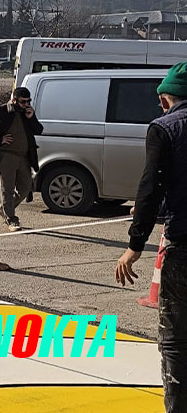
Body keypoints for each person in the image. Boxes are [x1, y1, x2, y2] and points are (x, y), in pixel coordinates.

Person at [115, 62, 187, 413]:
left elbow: (151, 187)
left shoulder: (164, 128)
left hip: (184, 245)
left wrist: (134, 245)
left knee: (175, 339)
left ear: (164, 99)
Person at [0, 86, 44, 231]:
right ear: (14, 100)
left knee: (26, 188)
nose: (26, 104)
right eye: (23, 102)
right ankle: (11, 220)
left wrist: (31, 118)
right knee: (7, 189)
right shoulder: (2, 111)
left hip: (24, 157)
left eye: (28, 101)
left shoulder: (27, 112)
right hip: (6, 156)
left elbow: (39, 130)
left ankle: (4, 209)